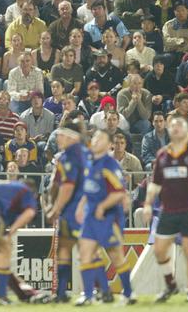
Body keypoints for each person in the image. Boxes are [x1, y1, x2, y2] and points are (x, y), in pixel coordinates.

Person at [142, 116, 188, 303]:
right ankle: (171, 285)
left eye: (179, 125)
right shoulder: (162, 155)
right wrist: (148, 204)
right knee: (159, 250)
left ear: (187, 129)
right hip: (168, 210)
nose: (175, 128)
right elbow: (155, 185)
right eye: (172, 125)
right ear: (167, 128)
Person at [75, 129, 134, 305]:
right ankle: (88, 296)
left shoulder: (110, 164)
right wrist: (80, 206)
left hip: (109, 217)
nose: (95, 140)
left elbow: (119, 193)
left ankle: (129, 293)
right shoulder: (90, 162)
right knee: (84, 253)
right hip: (91, 216)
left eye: (100, 138)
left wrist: (102, 206)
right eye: (94, 137)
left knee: (115, 255)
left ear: (109, 145)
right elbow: (89, 188)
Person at [46, 119, 88, 302]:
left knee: (70, 249)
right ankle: (65, 293)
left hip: (74, 210)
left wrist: (55, 208)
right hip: (85, 209)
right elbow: (56, 184)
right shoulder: (86, 153)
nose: (58, 138)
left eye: (61, 134)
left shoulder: (71, 156)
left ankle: (64, 293)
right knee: (74, 250)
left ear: (71, 137)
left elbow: (67, 187)